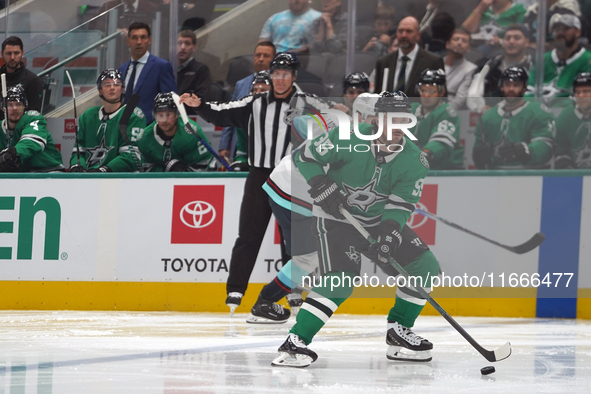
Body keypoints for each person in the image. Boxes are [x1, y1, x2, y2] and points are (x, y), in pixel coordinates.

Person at [272, 92, 440, 367]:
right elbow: (303, 156)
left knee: (424, 267)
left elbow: (400, 205)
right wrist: (320, 183)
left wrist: (389, 234)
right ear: (376, 120)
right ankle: (295, 343)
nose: (398, 127)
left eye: (404, 120)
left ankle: (398, 330)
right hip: (336, 220)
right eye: (391, 119)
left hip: (376, 222)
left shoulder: (414, 160)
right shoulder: (347, 137)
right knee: (340, 281)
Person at [180, 52, 302, 313]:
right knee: (249, 235)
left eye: (286, 74)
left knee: (292, 238)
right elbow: (221, 112)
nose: (280, 79)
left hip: (291, 177)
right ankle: (235, 290)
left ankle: (293, 289)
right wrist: (199, 104)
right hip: (259, 176)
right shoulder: (254, 103)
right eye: (276, 74)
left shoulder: (306, 104)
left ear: (294, 77)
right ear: (271, 76)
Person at [472, 66, 554, 169]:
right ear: (501, 87)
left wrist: (526, 150)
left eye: (516, 85)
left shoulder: (538, 112)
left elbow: (546, 146)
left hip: (530, 177)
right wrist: (480, 157)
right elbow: (479, 152)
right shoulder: (488, 118)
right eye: (507, 84)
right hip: (496, 178)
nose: (511, 89)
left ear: (524, 88)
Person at [69, 69, 145, 173]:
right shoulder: (88, 116)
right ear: (100, 90)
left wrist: (104, 170)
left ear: (122, 89)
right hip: (88, 176)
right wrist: (77, 166)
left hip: (120, 178)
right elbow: (78, 151)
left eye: (117, 84)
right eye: (107, 84)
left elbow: (132, 155)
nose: (112, 88)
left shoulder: (133, 114)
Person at [218, 41, 276, 162]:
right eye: (257, 55)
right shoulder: (241, 84)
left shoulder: (279, 84)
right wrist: (224, 145)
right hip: (241, 145)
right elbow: (231, 114)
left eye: (266, 56)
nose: (261, 59)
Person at [137, 92, 214, 172]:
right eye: (160, 115)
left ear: (177, 114)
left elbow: (206, 166)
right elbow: (142, 169)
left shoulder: (192, 134)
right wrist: (164, 170)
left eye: (168, 114)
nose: (165, 121)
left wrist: (185, 171)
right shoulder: (145, 137)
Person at [118, 22, 177, 124]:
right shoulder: (122, 69)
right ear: (128, 41)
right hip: (124, 128)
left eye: (143, 37)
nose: (139, 42)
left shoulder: (161, 66)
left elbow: (170, 101)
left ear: (149, 40)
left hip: (149, 129)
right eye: (134, 38)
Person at [525, 14, 591, 100]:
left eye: (566, 29)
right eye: (557, 29)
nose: (560, 32)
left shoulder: (587, 60)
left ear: (578, 32)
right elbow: (529, 90)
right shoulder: (543, 59)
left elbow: (584, 97)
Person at [374, 16, 445, 96]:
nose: (404, 35)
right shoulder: (383, 62)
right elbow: (377, 94)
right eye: (401, 31)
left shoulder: (432, 61)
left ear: (418, 35)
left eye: (409, 31)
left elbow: (441, 95)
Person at [0, 86, 64, 172]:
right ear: (2, 108)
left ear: (24, 106)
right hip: (24, 175)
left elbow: (31, 141)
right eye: (10, 105)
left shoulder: (33, 117)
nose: (14, 108)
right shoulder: (1, 127)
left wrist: (13, 153)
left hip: (49, 171)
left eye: (18, 104)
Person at [468, 23, 533, 104]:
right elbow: (473, 94)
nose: (511, 41)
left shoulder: (534, 67)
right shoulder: (488, 66)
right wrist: (481, 108)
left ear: (526, 42)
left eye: (516, 38)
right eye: (507, 38)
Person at [412, 69, 464, 169]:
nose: (426, 95)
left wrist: (424, 155)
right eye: (423, 90)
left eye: (431, 91)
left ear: (441, 92)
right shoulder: (411, 109)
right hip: (418, 167)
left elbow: (441, 142)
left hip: (446, 170)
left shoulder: (447, 112)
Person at [230, 70, 274, 171]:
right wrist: (240, 163)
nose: (257, 93)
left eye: (263, 89)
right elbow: (242, 153)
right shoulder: (245, 118)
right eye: (255, 90)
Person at [554, 72, 591, 169]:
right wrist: (566, 166)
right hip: (575, 177)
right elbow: (561, 150)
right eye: (577, 92)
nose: (581, 96)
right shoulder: (565, 116)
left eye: (586, 92)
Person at [1, 36, 44, 113]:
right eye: (8, 53)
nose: (12, 57)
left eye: (16, 53)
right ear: (2, 54)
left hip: (23, 124)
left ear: (22, 53)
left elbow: (33, 114)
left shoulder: (33, 80)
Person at [462, 0, 526, 47]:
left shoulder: (519, 9)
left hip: (503, 48)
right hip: (475, 46)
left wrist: (501, 41)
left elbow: (521, 35)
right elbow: (465, 31)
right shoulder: (483, 7)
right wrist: (479, 9)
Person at [443, 28, 477, 110]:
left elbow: (460, 98)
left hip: (448, 111)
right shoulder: (435, 63)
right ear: (447, 44)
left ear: (468, 48)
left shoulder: (471, 69)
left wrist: (443, 112)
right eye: (456, 39)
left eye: (464, 41)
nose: (459, 43)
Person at [176, 30, 212, 105]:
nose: (182, 47)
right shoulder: (166, 67)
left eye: (187, 44)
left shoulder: (201, 70)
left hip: (189, 114)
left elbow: (201, 99)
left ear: (194, 47)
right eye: (179, 43)